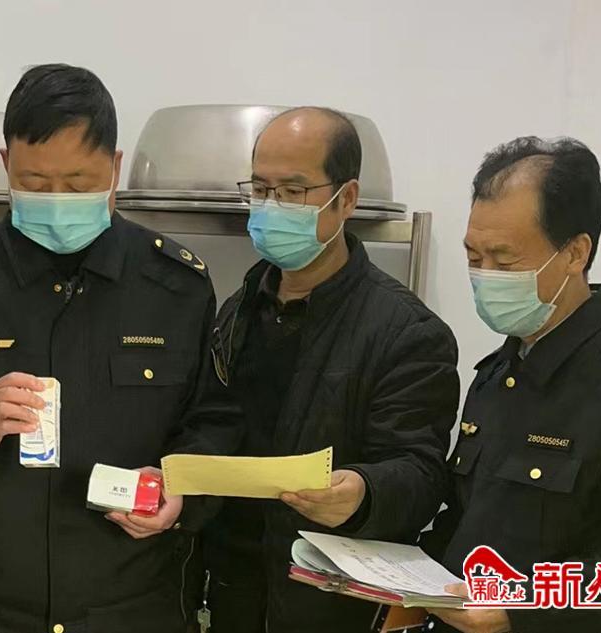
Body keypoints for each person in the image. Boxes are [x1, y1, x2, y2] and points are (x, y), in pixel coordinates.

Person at [0, 64, 239, 633]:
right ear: (6, 164)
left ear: (115, 168)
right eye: (35, 181)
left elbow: (216, 422)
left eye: (77, 183)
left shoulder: (175, 286)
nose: (56, 200)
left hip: (139, 608)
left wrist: (182, 496)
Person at [202, 107, 461, 633]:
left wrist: (364, 491)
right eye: (260, 189)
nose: (271, 206)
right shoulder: (238, 309)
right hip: (232, 588)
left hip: (328, 602)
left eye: (293, 191)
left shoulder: (406, 332)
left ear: (346, 199)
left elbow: (422, 471)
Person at [423, 136, 601, 633]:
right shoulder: (497, 374)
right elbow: (466, 523)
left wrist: (520, 608)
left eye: (504, 260)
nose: (484, 276)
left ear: (575, 252)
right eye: (473, 257)